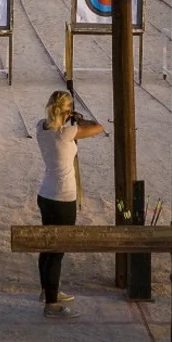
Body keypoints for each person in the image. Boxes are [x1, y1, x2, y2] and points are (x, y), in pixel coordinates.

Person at [34, 89, 104, 318]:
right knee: (57, 251)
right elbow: (98, 126)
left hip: (46, 194)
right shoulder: (67, 133)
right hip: (63, 197)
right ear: (65, 110)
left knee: (48, 246)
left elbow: (55, 124)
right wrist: (78, 118)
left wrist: (67, 116)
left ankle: (47, 291)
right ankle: (52, 305)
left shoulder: (41, 128)